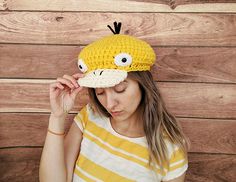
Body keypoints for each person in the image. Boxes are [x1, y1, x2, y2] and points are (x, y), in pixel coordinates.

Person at [39, 22, 190, 182]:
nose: (110, 104)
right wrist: (57, 117)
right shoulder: (90, 116)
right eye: (100, 92)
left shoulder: (170, 150)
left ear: (143, 85)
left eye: (120, 89)